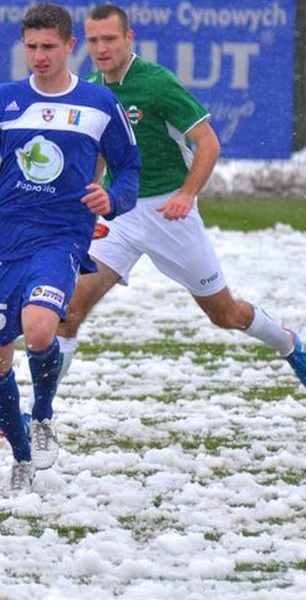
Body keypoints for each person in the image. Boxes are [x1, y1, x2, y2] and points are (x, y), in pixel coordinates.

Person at [0, 3, 140, 493]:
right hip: (3, 238)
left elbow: (130, 170)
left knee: (39, 328)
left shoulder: (99, 106)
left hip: (61, 235)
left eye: (48, 47)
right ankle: (21, 455)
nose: (38, 56)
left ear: (69, 46)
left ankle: (43, 415)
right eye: (31, 47)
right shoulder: (4, 100)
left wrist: (113, 198)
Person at [55, 4, 306, 388]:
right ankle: (37, 414)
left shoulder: (157, 83)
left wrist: (187, 195)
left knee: (224, 314)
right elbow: (101, 152)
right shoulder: (91, 89)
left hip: (168, 210)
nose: (101, 48)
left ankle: (289, 345)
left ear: (129, 38)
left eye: (110, 38)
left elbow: (208, 143)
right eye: (93, 40)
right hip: (119, 213)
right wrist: (87, 202)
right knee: (69, 311)